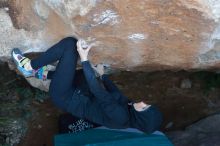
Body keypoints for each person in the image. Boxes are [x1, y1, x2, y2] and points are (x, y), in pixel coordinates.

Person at [11, 37, 162, 133]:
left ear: (141, 118)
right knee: (86, 74)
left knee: (70, 45)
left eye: (144, 107)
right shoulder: (130, 110)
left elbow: (97, 91)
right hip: (79, 93)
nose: (143, 102)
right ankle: (44, 74)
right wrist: (102, 75)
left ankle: (29, 66)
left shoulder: (120, 116)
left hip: (65, 96)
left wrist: (84, 58)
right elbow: (116, 94)